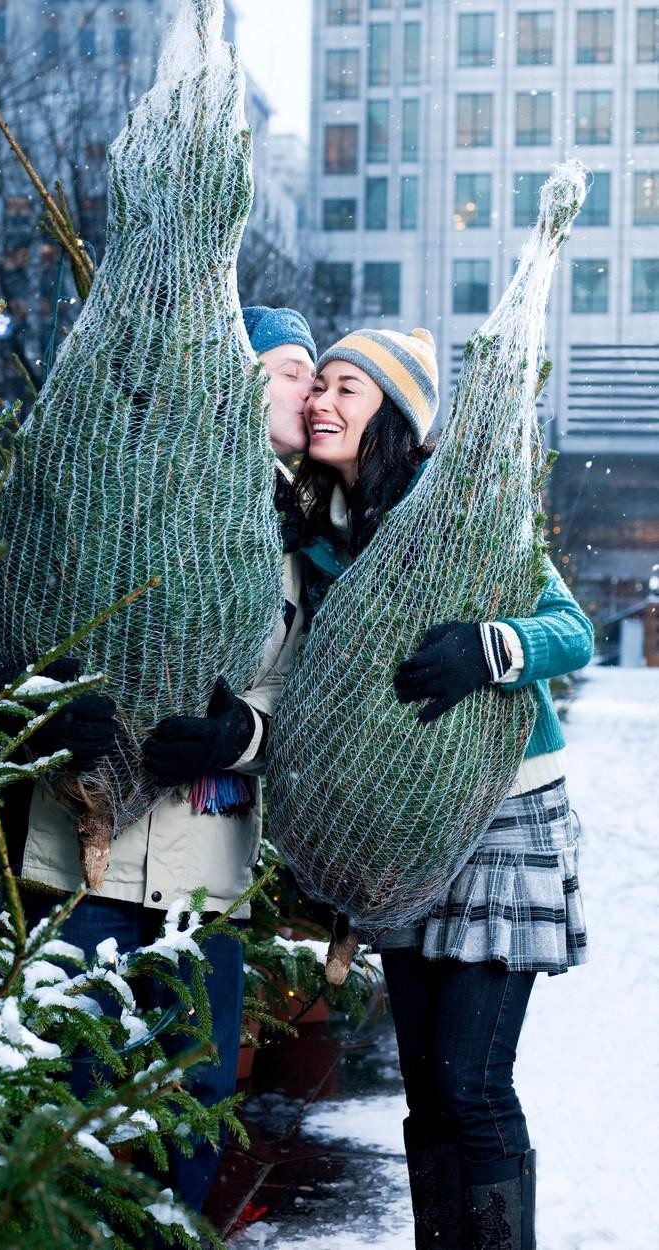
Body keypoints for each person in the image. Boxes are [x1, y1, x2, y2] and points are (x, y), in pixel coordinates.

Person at [0, 305, 316, 1214]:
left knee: (196, 1102)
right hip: (77, 871)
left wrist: (241, 737)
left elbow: (294, 693)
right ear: (228, 375)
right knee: (59, 1093)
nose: (308, 390)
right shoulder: (110, 485)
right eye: (291, 369)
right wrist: (16, 694)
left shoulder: (287, 534)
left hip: (202, 887)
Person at [294, 327, 594, 1250]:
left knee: (471, 1079)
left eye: (347, 388)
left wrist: (490, 647)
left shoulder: (461, 510)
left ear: (392, 414)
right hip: (407, 837)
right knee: (426, 1084)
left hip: (504, 819)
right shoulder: (319, 539)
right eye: (318, 387)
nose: (321, 403)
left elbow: (570, 628)